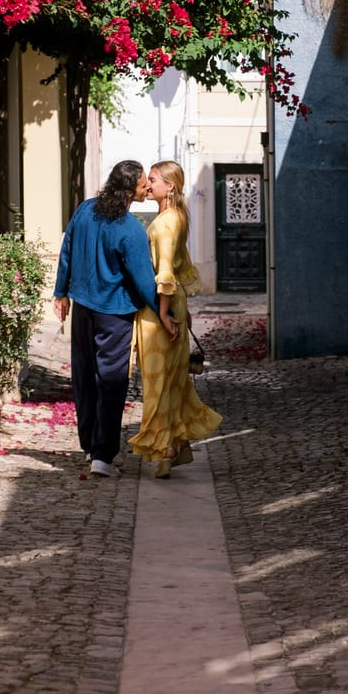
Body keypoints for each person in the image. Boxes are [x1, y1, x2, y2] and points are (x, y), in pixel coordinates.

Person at [53, 160, 173, 478]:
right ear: (129, 189)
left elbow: (67, 249)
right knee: (111, 382)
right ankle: (103, 456)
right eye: (143, 183)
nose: (148, 186)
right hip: (115, 314)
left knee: (84, 377)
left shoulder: (85, 210)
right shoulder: (130, 228)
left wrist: (60, 292)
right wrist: (165, 313)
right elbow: (143, 278)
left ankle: (91, 447)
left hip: (82, 309)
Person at [128, 160, 222, 478]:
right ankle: (174, 446)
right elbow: (182, 269)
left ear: (169, 185)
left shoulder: (166, 223)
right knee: (171, 380)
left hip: (160, 307)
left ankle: (166, 449)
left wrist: (164, 313)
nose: (148, 184)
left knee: (158, 382)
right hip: (173, 303)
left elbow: (166, 271)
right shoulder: (176, 216)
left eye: (152, 179)